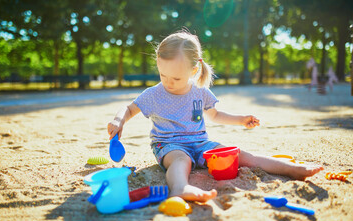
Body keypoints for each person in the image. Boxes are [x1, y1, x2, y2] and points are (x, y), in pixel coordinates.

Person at [107, 31, 324, 203]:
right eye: (163, 74)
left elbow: (215, 115)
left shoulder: (200, 90)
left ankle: (292, 170)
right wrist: (118, 121)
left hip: (201, 143)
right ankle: (179, 188)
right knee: (182, 160)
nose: (168, 82)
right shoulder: (154, 94)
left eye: (175, 77)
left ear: (193, 71)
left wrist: (240, 119)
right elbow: (129, 109)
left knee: (241, 155)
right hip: (169, 145)